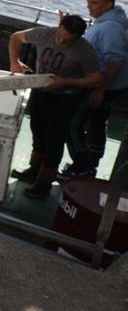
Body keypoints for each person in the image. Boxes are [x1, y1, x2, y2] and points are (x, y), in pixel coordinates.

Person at [8, 15, 102, 200]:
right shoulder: (45, 33)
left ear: (78, 37)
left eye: (67, 40)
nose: (61, 41)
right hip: (41, 90)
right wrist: (14, 61)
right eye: (60, 36)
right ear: (58, 27)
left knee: (55, 138)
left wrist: (66, 81)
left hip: (66, 98)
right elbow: (16, 37)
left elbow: (96, 78)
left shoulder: (85, 50)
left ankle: (44, 182)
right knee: (37, 129)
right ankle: (34, 170)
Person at [62, 0, 128, 178]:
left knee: (72, 125)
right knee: (97, 123)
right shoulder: (111, 23)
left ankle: (83, 167)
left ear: (108, 5)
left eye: (94, 2)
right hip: (107, 85)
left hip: (100, 86)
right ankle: (91, 164)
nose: (88, 6)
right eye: (88, 1)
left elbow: (116, 61)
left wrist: (100, 90)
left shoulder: (110, 28)